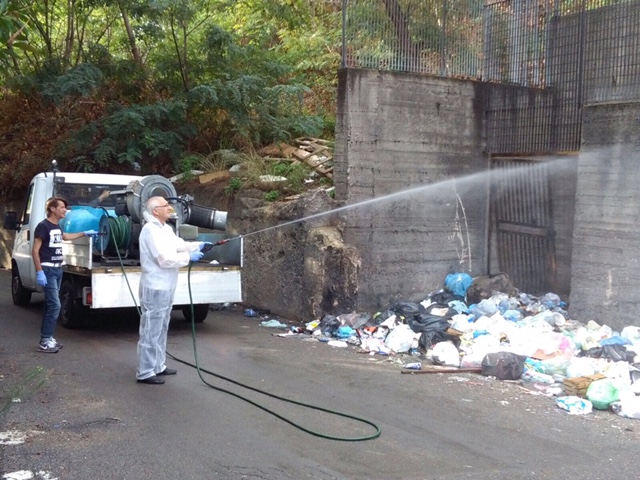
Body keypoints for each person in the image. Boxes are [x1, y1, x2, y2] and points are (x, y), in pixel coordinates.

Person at [136, 196, 210, 385]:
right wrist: (188, 257)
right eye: (165, 206)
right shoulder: (150, 230)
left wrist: (197, 245)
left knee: (162, 327)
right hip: (155, 286)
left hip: (167, 285)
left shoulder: (164, 229)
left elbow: (178, 244)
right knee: (151, 330)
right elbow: (164, 259)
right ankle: (145, 371)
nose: (169, 208)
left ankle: (158, 365)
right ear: (155, 211)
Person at [32, 197, 97, 353]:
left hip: (57, 269)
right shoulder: (43, 226)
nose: (65, 210)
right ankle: (45, 340)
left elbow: (65, 237)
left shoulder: (57, 226)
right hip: (47, 270)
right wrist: (39, 271)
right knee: (55, 305)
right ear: (52, 209)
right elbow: (35, 250)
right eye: (61, 207)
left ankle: (48, 338)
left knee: (50, 305)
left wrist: (84, 233)